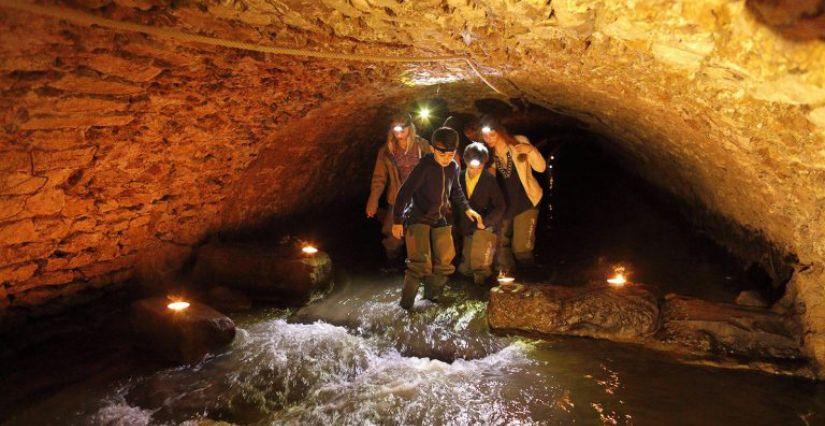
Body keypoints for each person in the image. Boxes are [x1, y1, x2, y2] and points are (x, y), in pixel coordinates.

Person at [392, 127, 484, 310]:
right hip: (418, 217)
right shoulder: (424, 167)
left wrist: (468, 209)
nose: (446, 158)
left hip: (440, 217)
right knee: (419, 265)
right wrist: (396, 221)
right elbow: (404, 193)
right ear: (433, 149)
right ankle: (405, 307)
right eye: (442, 154)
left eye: (451, 154)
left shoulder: (453, 167)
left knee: (445, 262)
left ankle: (430, 300)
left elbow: (456, 190)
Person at [480, 117, 546, 272]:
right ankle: (508, 278)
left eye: (492, 134)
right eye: (485, 135)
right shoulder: (486, 153)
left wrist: (531, 150)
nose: (488, 139)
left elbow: (541, 168)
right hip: (504, 205)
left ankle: (529, 277)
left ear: (500, 131)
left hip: (527, 200)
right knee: (501, 243)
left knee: (522, 247)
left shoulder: (519, 142)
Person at [366, 114, 431, 268]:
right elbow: (379, 177)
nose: (399, 133)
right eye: (395, 130)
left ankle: (421, 268)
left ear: (410, 127)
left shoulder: (423, 146)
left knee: (420, 234)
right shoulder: (386, 151)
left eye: (403, 129)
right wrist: (373, 199)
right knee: (392, 236)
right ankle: (393, 266)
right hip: (397, 197)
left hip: (420, 197)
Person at [456, 143, 506, 285]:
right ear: (466, 163)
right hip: (467, 228)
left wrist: (486, 222)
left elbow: (501, 206)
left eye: (480, 167)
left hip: (485, 227)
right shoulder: (458, 178)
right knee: (465, 270)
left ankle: (483, 282)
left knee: (480, 270)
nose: (476, 171)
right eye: (472, 167)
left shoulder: (489, 179)